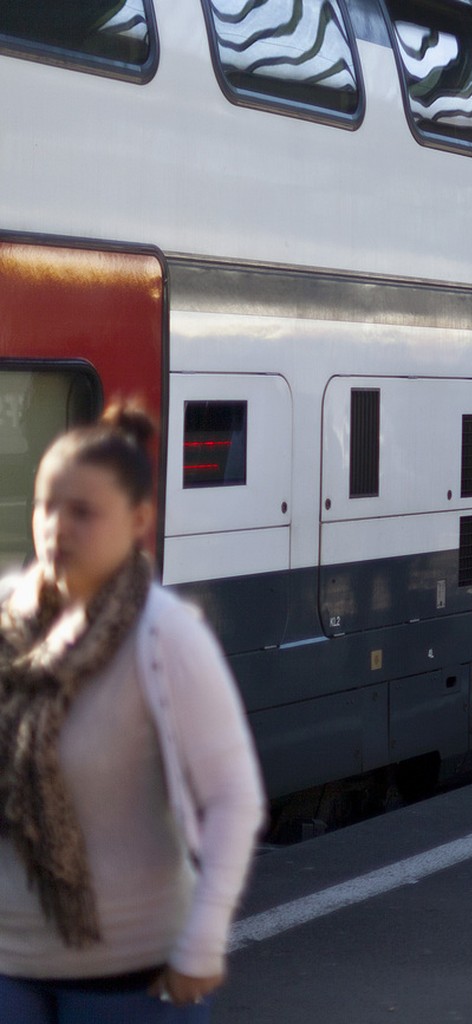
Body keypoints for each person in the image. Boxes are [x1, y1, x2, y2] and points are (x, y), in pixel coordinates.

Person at [0, 408, 266, 1022]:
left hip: (131, 977)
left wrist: (201, 942)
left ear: (140, 520)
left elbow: (233, 797)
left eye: (82, 512)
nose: (55, 528)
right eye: (45, 506)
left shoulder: (166, 637)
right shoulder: (10, 627)